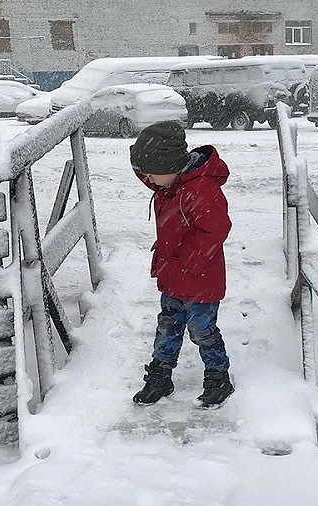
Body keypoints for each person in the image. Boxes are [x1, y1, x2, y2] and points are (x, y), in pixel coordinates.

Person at [128, 121, 234, 409]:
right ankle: (161, 376)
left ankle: (217, 376)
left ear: (170, 167)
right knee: (168, 326)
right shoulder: (169, 183)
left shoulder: (201, 189)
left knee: (202, 330)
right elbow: (149, 171)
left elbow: (216, 228)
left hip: (200, 279)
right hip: (174, 276)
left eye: (152, 173)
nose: (147, 179)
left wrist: (190, 261)